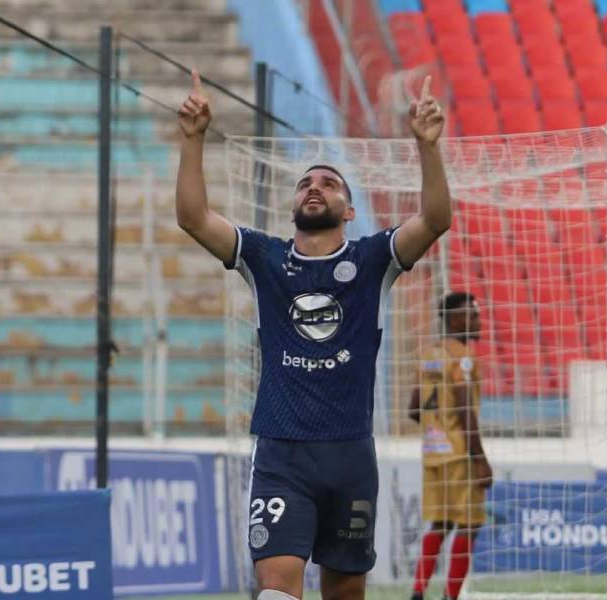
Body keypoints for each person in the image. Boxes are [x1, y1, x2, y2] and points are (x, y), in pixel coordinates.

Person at [176, 70, 451, 600]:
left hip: (350, 455)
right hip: (282, 455)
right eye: (305, 183)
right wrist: (194, 139)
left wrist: (427, 148)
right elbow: (193, 217)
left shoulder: (373, 260)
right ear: (293, 206)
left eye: (328, 183)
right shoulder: (264, 257)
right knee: (276, 589)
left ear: (349, 210)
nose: (314, 187)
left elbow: (435, 219)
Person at [408, 292, 492, 600]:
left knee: (440, 523)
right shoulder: (463, 359)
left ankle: (418, 591)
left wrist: (438, 426)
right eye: (471, 315)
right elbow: (465, 410)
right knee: (469, 526)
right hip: (460, 454)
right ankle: (450, 596)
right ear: (454, 319)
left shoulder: (429, 354)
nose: (478, 320)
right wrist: (480, 459)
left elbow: (414, 409)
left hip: (433, 453)